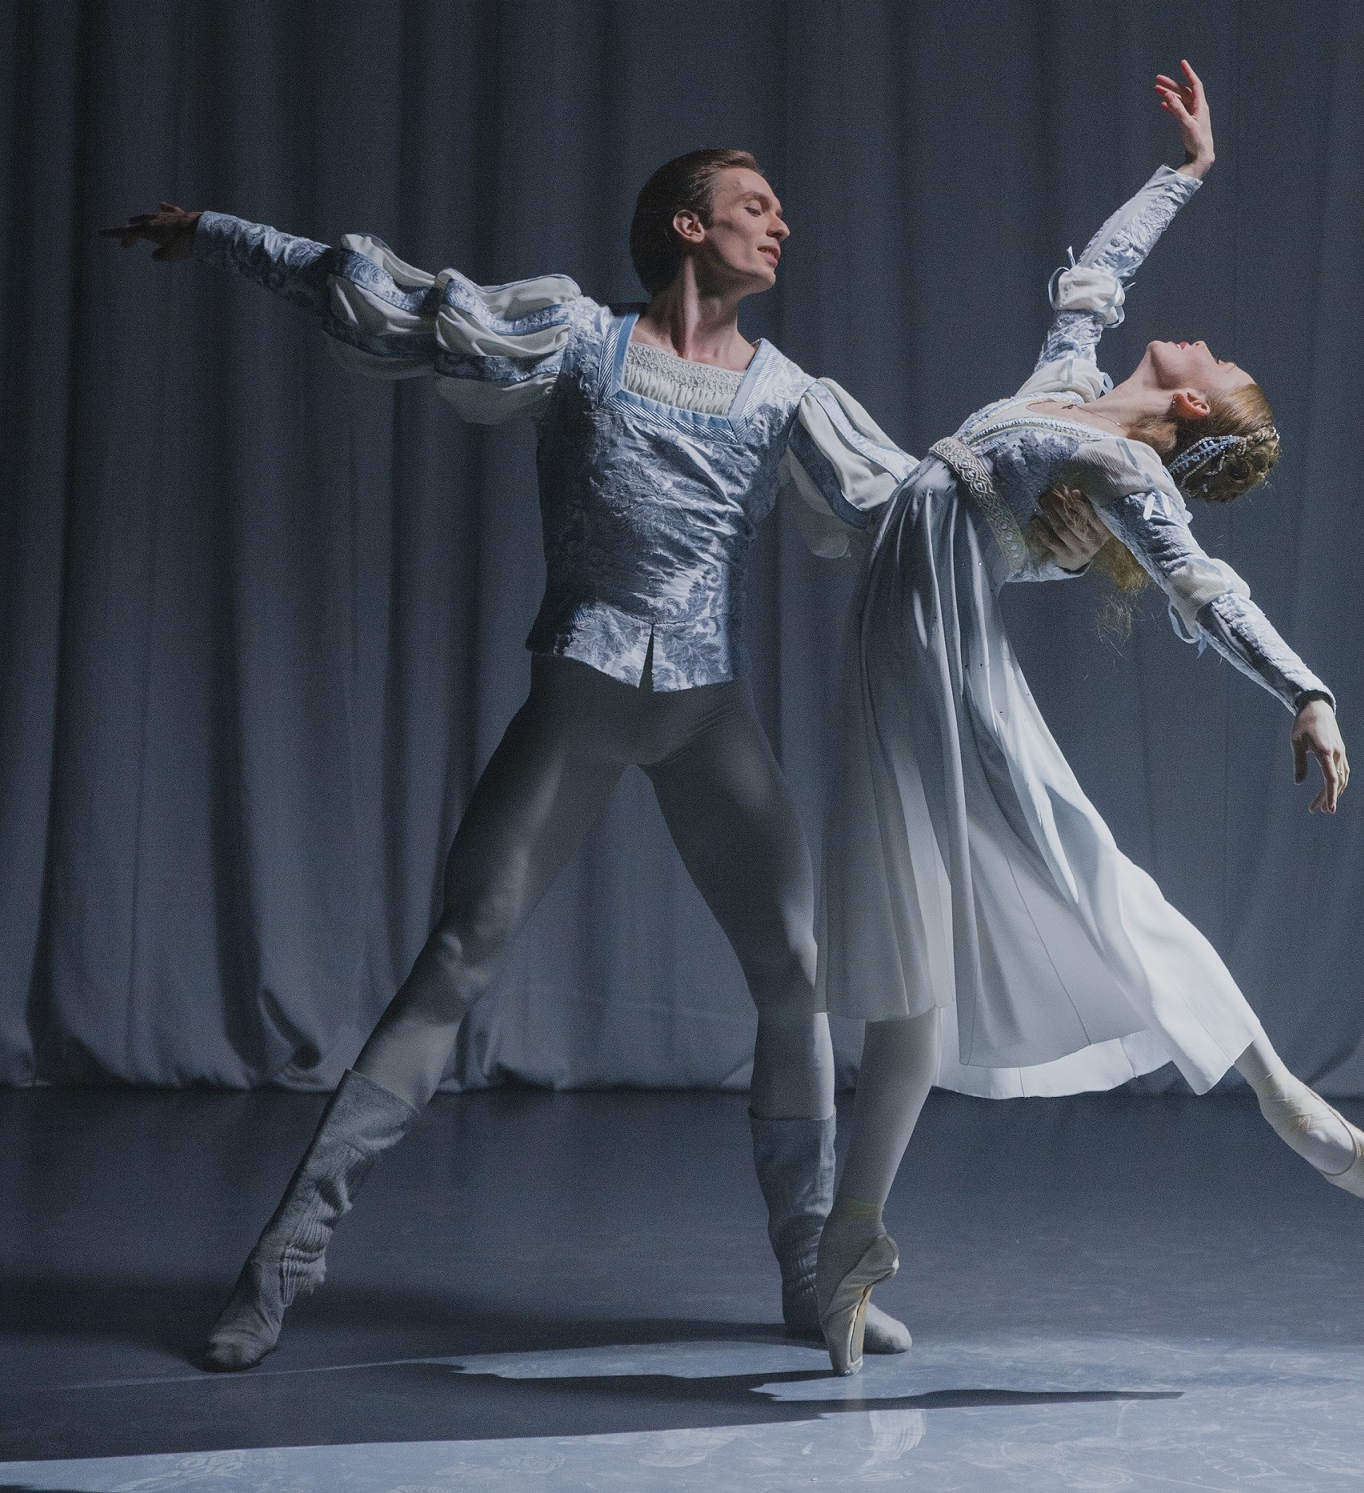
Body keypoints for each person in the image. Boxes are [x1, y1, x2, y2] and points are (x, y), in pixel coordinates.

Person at [108, 150, 1027, 1369]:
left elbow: (917, 510)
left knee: (796, 971)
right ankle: (283, 1257)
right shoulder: (577, 340)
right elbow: (398, 300)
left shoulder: (789, 395)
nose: (781, 224)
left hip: (705, 711)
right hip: (580, 697)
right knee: (456, 956)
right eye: (756, 206)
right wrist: (226, 234)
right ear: (688, 225)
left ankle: (812, 1273)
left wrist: (1087, 479)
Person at [809, 64, 1364, 1377]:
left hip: (940, 664)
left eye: (1222, 366)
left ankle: (1272, 1083)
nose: (1211, 344)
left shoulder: (1122, 465)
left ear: (1193, 405)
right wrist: (1185, 171)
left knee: (1086, 868)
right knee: (912, 964)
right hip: (895, 654)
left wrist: (1307, 690)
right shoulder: (1067, 381)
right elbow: (1103, 270)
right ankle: (850, 1245)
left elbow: (1205, 591)